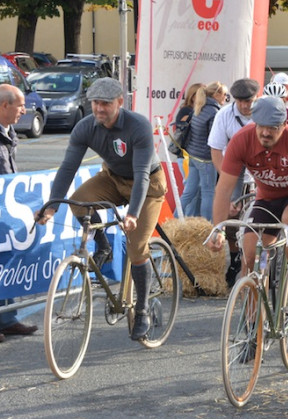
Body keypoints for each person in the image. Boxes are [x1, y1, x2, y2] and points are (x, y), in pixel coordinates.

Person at [36, 78, 167, 341]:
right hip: (112, 179)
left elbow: (141, 174)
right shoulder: (85, 127)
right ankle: (102, 242)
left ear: (120, 102)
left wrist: (132, 214)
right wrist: (50, 206)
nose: (99, 109)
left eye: (105, 103)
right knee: (77, 201)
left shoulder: (138, 126)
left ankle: (141, 310)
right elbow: (68, 167)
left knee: (136, 246)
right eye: (95, 102)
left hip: (147, 184)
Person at [208, 96, 288, 313]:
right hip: (267, 197)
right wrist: (218, 228)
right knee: (249, 253)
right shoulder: (241, 140)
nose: (266, 133)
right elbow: (223, 189)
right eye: (261, 126)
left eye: (273, 128)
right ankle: (251, 327)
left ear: (285, 125)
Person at [208, 78, 259, 285]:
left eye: (249, 101)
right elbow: (216, 151)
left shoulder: (264, 111)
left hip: (261, 164)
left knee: (261, 215)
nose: (245, 106)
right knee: (231, 212)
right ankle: (235, 257)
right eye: (241, 102)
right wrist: (226, 177)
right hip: (234, 166)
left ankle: (264, 257)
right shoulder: (224, 115)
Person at [0, 84, 37, 341]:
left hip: (4, 210)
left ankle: (7, 318)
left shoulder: (8, 131)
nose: (25, 110)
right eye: (20, 105)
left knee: (7, 261)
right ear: (4, 106)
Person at [180, 81, 228, 220]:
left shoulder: (200, 107)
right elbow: (214, 138)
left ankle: (175, 218)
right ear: (216, 94)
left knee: (189, 191)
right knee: (208, 192)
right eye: (224, 94)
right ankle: (206, 226)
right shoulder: (214, 112)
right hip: (206, 158)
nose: (225, 97)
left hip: (193, 155)